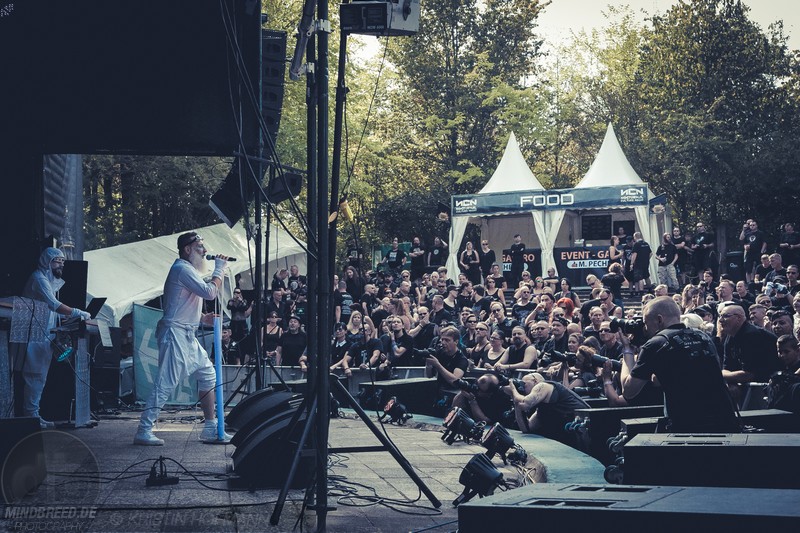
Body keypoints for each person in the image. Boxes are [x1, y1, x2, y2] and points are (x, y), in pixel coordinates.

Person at [134, 232, 231, 445]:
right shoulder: (182, 269)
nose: (205, 251)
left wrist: (202, 317)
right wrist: (219, 269)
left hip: (186, 334)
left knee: (208, 375)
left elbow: (181, 303)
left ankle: (210, 427)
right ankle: (144, 430)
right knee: (165, 383)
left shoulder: (189, 271)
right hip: (175, 333)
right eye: (200, 247)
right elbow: (209, 292)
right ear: (187, 249)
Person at [621, 296, 738, 433]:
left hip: (687, 426)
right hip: (724, 419)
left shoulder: (656, 344)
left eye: (646, 323)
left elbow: (629, 392)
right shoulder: (703, 337)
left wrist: (627, 350)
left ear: (659, 319)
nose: (645, 329)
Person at [20, 247, 92, 428]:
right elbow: (54, 305)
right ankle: (31, 416)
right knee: (34, 376)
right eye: (58, 261)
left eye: (62, 261)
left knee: (40, 378)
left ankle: (34, 415)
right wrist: (78, 312)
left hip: (44, 336)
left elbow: (52, 310)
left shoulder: (47, 280)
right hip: (35, 336)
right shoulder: (39, 279)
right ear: (47, 261)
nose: (61, 264)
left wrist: (65, 319)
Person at [503, 371, 590, 442]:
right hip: (573, 433)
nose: (522, 386)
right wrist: (515, 397)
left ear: (535, 380)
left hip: (587, 426)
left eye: (524, 383)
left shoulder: (544, 385)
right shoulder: (542, 407)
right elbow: (526, 428)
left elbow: (525, 404)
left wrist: (513, 389)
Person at [767, 335, 800, 413]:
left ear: (798, 351)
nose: (782, 355)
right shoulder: (781, 369)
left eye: (786, 352)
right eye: (780, 352)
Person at [630, 231, 652, 296]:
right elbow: (651, 253)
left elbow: (634, 254)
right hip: (646, 263)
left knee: (640, 278)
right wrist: (647, 259)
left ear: (635, 237)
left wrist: (631, 263)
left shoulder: (636, 244)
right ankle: (650, 289)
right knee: (647, 276)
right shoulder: (646, 244)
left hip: (638, 263)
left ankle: (641, 292)